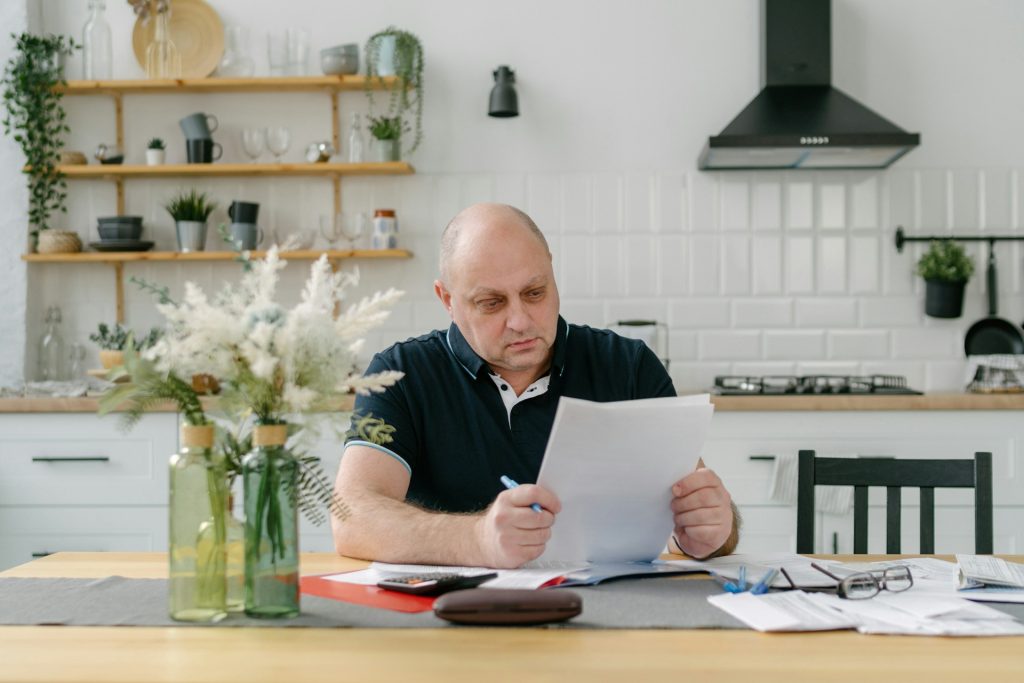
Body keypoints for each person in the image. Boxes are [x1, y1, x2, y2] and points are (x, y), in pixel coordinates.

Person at [332, 203, 740, 568]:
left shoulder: (628, 367)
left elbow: (690, 518)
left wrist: (712, 532)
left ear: (552, 272)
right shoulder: (399, 374)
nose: (521, 320)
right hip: (450, 628)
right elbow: (351, 517)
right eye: (491, 302)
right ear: (447, 300)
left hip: (609, 626)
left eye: (535, 292)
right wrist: (477, 540)